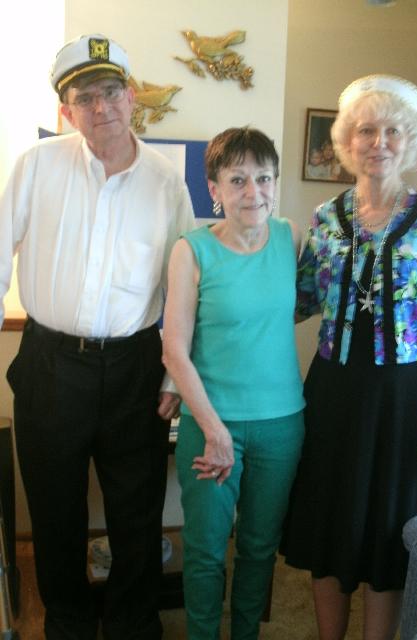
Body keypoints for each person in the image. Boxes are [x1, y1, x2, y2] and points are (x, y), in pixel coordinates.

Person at [0, 34, 195, 640]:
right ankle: (68, 624)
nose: (100, 106)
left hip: (136, 368)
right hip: (50, 363)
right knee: (54, 509)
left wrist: (175, 375)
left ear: (132, 97)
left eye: (111, 91)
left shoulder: (166, 182)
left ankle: (134, 623)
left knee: (137, 511)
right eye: (84, 97)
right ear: (67, 111)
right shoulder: (37, 165)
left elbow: (186, 286)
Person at [281, 74, 417, 640]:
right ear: (346, 142)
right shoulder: (324, 219)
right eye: (365, 131)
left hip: (406, 400)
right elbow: (296, 303)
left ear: (408, 141)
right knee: (329, 523)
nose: (378, 142)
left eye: (392, 131)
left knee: (389, 533)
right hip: (333, 393)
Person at [162, 127, 305, 639]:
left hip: (282, 425)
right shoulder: (192, 250)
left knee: (260, 549)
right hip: (210, 424)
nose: (254, 192)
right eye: (238, 180)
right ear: (214, 189)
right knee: (204, 551)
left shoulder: (291, 237)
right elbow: (175, 349)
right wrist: (214, 430)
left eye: (264, 178)